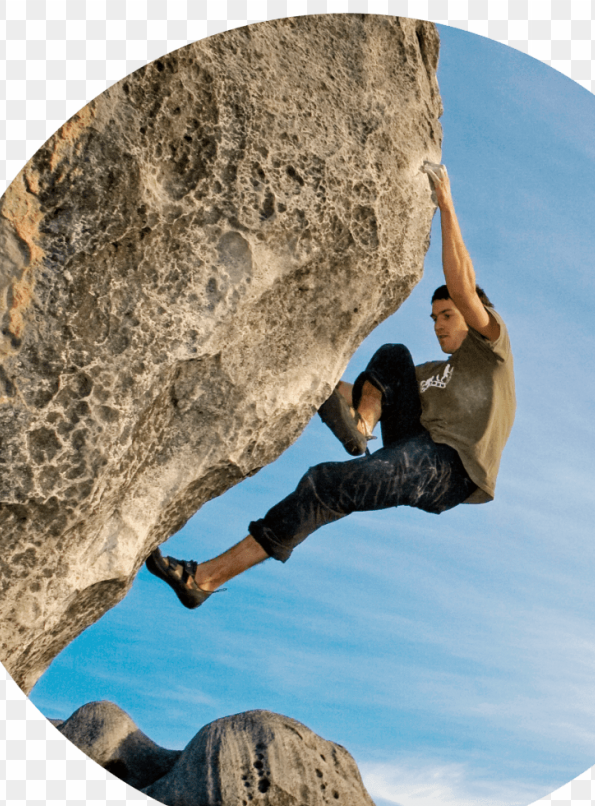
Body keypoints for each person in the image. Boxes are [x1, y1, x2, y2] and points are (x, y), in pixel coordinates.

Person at [145, 163, 516, 609]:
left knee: (327, 475)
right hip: (412, 444)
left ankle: (210, 575)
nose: (438, 326)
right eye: (434, 318)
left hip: (448, 469)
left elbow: (463, 284)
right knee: (389, 368)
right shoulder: (433, 372)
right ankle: (201, 580)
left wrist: (447, 205)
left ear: (472, 312)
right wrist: (302, 373)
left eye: (446, 316)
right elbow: (350, 387)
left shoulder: (491, 347)